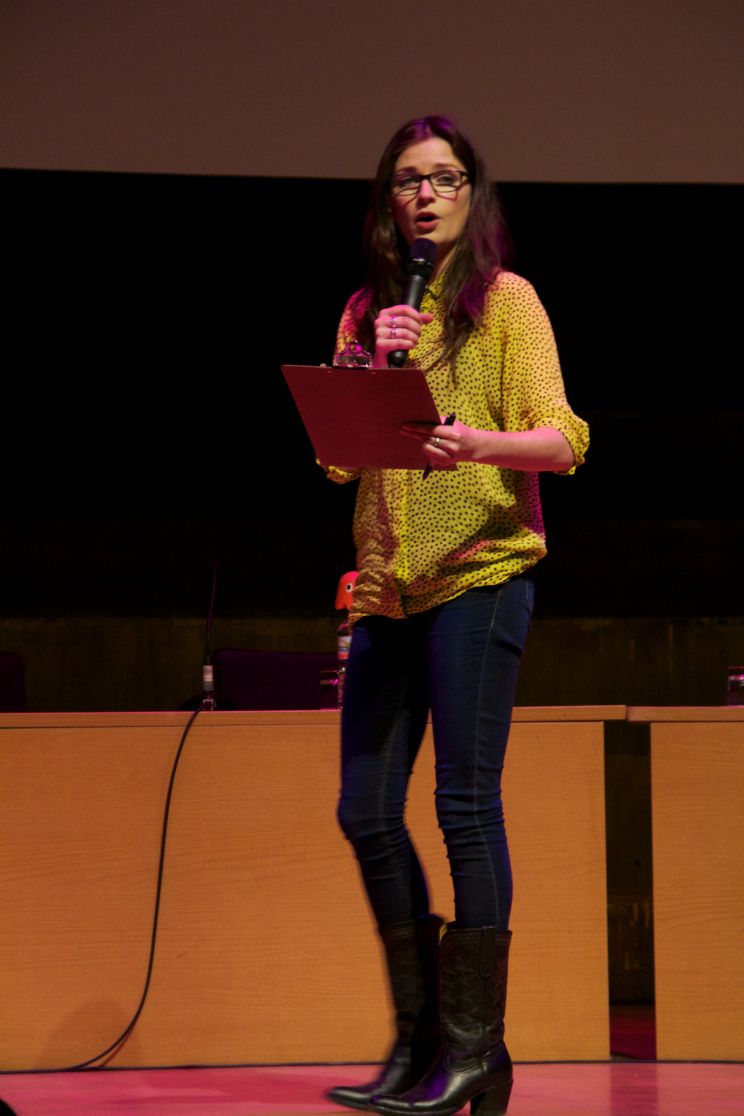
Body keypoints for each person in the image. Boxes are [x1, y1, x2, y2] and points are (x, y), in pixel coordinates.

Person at [323, 115, 589, 1116]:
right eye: (408, 180)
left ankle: (477, 1052)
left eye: (445, 178)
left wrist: (477, 444)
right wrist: (364, 373)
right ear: (387, 201)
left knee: (463, 807)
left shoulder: (505, 306)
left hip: (482, 572)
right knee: (364, 811)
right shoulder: (365, 313)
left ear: (474, 194)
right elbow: (342, 460)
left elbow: (562, 441)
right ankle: (420, 1043)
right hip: (388, 584)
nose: (427, 195)